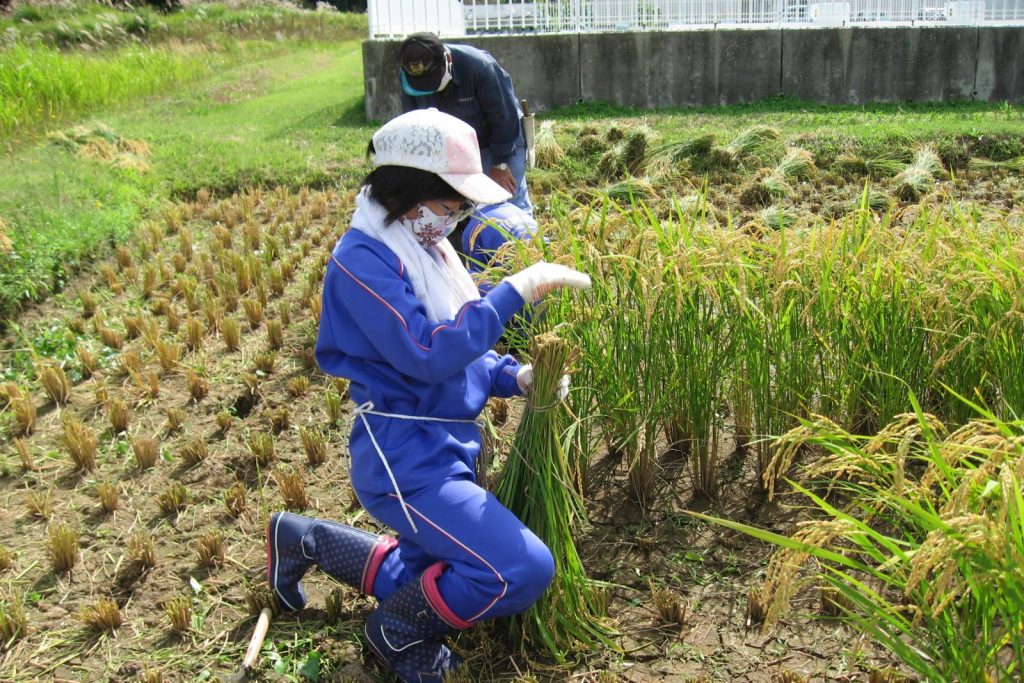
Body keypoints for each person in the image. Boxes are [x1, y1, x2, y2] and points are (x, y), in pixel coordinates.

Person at [265, 108, 590, 682]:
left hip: (446, 446)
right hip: (408, 461)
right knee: (520, 568)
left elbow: (458, 347)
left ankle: (304, 539)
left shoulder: (426, 251)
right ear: (411, 192)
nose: (457, 218)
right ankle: (396, 630)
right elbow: (429, 352)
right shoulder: (363, 262)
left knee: (423, 578)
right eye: (451, 205)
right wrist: (514, 291)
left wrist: (512, 376)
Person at [398, 32, 533, 215]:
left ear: (447, 59)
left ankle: (525, 239)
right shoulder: (410, 76)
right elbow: (415, 124)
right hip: (454, 146)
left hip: (500, 140)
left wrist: (500, 164)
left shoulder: (480, 67)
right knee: (462, 207)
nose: (428, 88)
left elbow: (504, 117)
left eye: (431, 81)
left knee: (507, 200)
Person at [459, 201, 538, 281]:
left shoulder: (472, 228)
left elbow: (480, 278)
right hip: (541, 251)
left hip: (521, 264)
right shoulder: (510, 207)